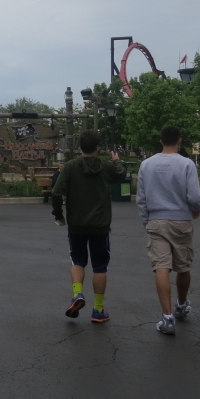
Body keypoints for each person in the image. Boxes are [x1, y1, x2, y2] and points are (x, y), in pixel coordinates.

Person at [52, 129, 126, 323]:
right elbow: (121, 174)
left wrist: (59, 215)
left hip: (76, 224)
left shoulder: (70, 167)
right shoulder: (105, 167)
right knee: (100, 267)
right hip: (100, 225)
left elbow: (56, 193)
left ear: (79, 147)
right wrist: (117, 160)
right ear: (98, 147)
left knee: (77, 261)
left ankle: (77, 294)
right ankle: (98, 310)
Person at [136, 125, 200, 336]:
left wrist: (146, 221)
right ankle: (181, 305)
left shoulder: (146, 165)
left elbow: (141, 198)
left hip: (156, 219)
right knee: (183, 266)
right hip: (181, 219)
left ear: (160, 141)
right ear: (180, 141)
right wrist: (195, 210)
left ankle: (167, 317)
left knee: (161, 266)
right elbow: (194, 196)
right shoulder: (187, 164)